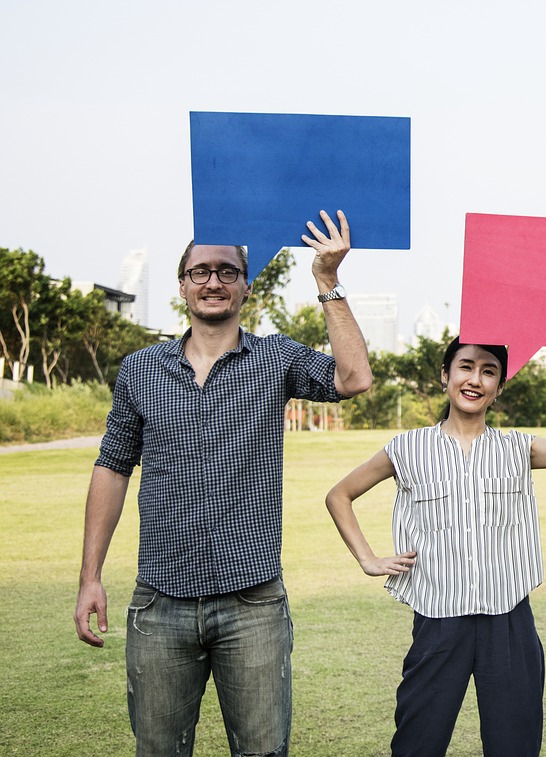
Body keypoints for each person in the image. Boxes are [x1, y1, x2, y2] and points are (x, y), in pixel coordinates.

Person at [74, 210, 373, 757]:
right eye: (201, 271)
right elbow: (112, 468)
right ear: (183, 285)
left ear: (246, 286)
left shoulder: (276, 358)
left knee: (262, 751)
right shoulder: (139, 370)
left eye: (228, 271)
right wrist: (90, 576)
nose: (214, 281)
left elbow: (354, 377)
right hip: (159, 603)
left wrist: (327, 280)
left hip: (252, 603)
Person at [325, 328, 546, 757]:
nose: (475, 379)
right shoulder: (408, 448)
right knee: (417, 743)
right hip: (439, 622)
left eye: (489, 371)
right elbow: (339, 495)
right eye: (466, 367)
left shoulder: (517, 448)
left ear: (499, 387)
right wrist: (367, 558)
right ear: (445, 375)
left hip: (509, 622)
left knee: (514, 744)